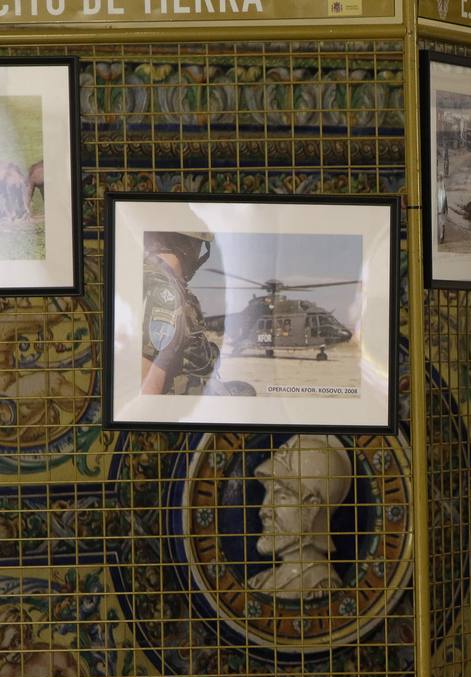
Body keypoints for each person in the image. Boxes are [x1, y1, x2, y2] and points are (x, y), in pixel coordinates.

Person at [140, 230, 253, 398]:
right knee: (247, 393)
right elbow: (146, 382)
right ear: (190, 245)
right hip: (184, 402)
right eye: (199, 246)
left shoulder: (149, 277)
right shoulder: (164, 294)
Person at [247, 434, 354, 600]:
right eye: (267, 494)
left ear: (312, 508)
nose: (264, 510)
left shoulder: (318, 586)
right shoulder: (261, 582)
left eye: (281, 496)